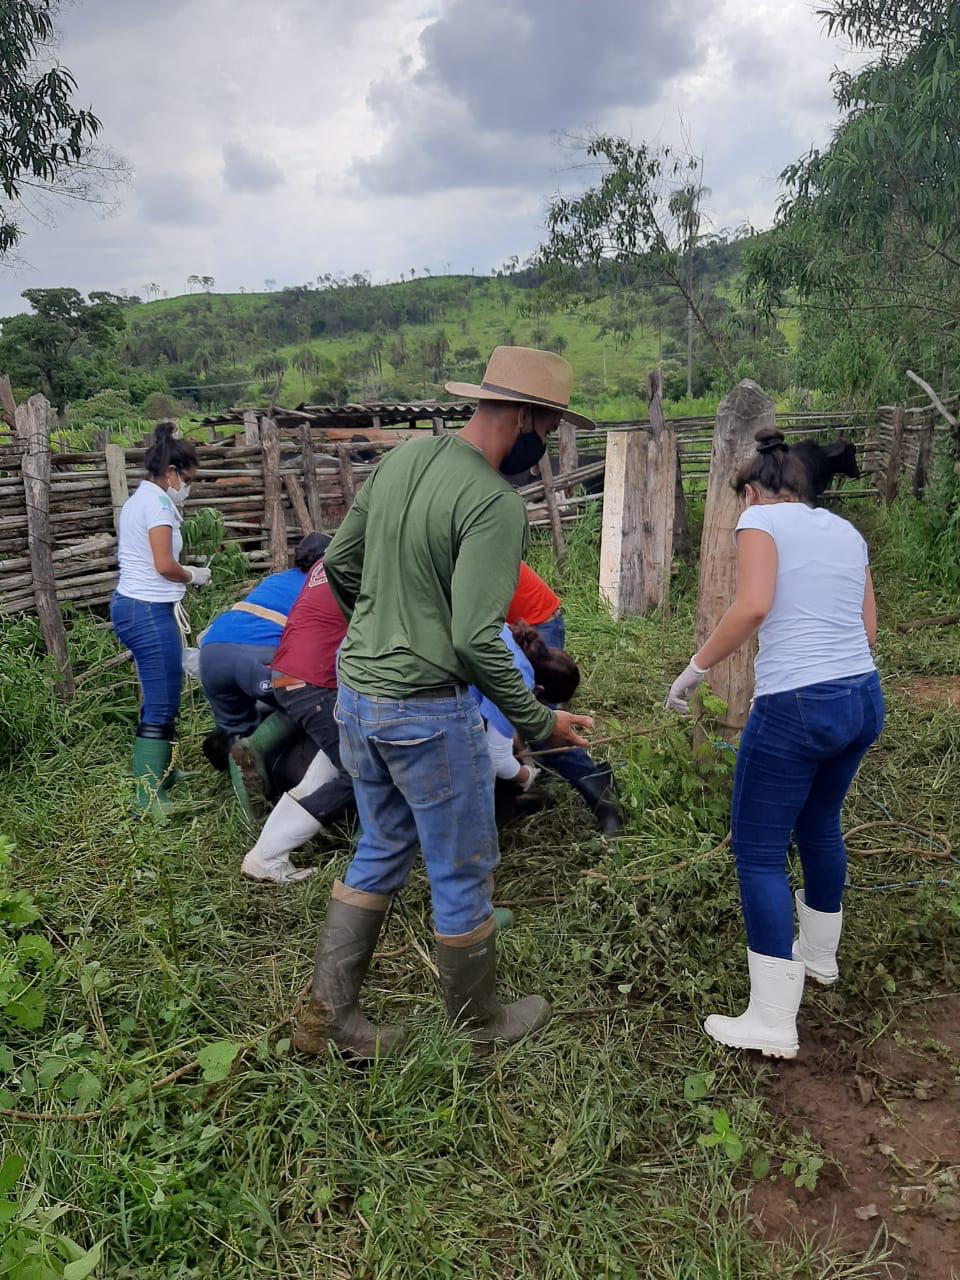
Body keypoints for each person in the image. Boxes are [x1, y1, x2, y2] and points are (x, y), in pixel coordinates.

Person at [292, 345, 594, 1060]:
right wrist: (538, 719)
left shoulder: (402, 462)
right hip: (427, 712)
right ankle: (478, 1023)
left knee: (381, 844)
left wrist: (379, 625)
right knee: (462, 867)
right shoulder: (492, 502)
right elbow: (475, 639)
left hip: (358, 697)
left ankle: (327, 1020)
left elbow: (339, 562)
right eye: (547, 432)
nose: (544, 449)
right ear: (523, 416)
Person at [665, 427, 883, 1060]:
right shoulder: (845, 530)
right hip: (861, 699)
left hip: (795, 705)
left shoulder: (759, 523)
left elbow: (753, 605)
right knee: (819, 823)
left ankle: (771, 1020)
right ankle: (819, 959)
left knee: (758, 853)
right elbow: (867, 629)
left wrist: (696, 669)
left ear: (755, 490)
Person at [110, 423, 211, 814]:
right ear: (171, 473)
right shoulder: (156, 506)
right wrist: (193, 574)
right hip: (146, 611)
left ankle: (163, 772)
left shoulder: (143, 499)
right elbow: (165, 565)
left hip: (141, 606)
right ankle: (148, 797)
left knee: (164, 694)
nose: (187, 486)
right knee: (162, 700)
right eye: (187, 479)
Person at [239, 546, 353, 884]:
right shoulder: (365, 565)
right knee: (360, 773)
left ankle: (267, 855)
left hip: (288, 672)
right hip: (313, 680)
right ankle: (267, 856)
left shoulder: (328, 564)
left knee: (326, 770)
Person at [508, 562, 623, 835]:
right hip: (509, 628)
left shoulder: (467, 547)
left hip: (535, 623)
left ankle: (606, 802)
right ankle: (523, 787)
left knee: (539, 725)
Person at [199, 531, 330, 743]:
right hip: (259, 660)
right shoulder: (321, 585)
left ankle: (237, 758)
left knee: (236, 732)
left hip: (211, 655)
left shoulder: (276, 579)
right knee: (309, 702)